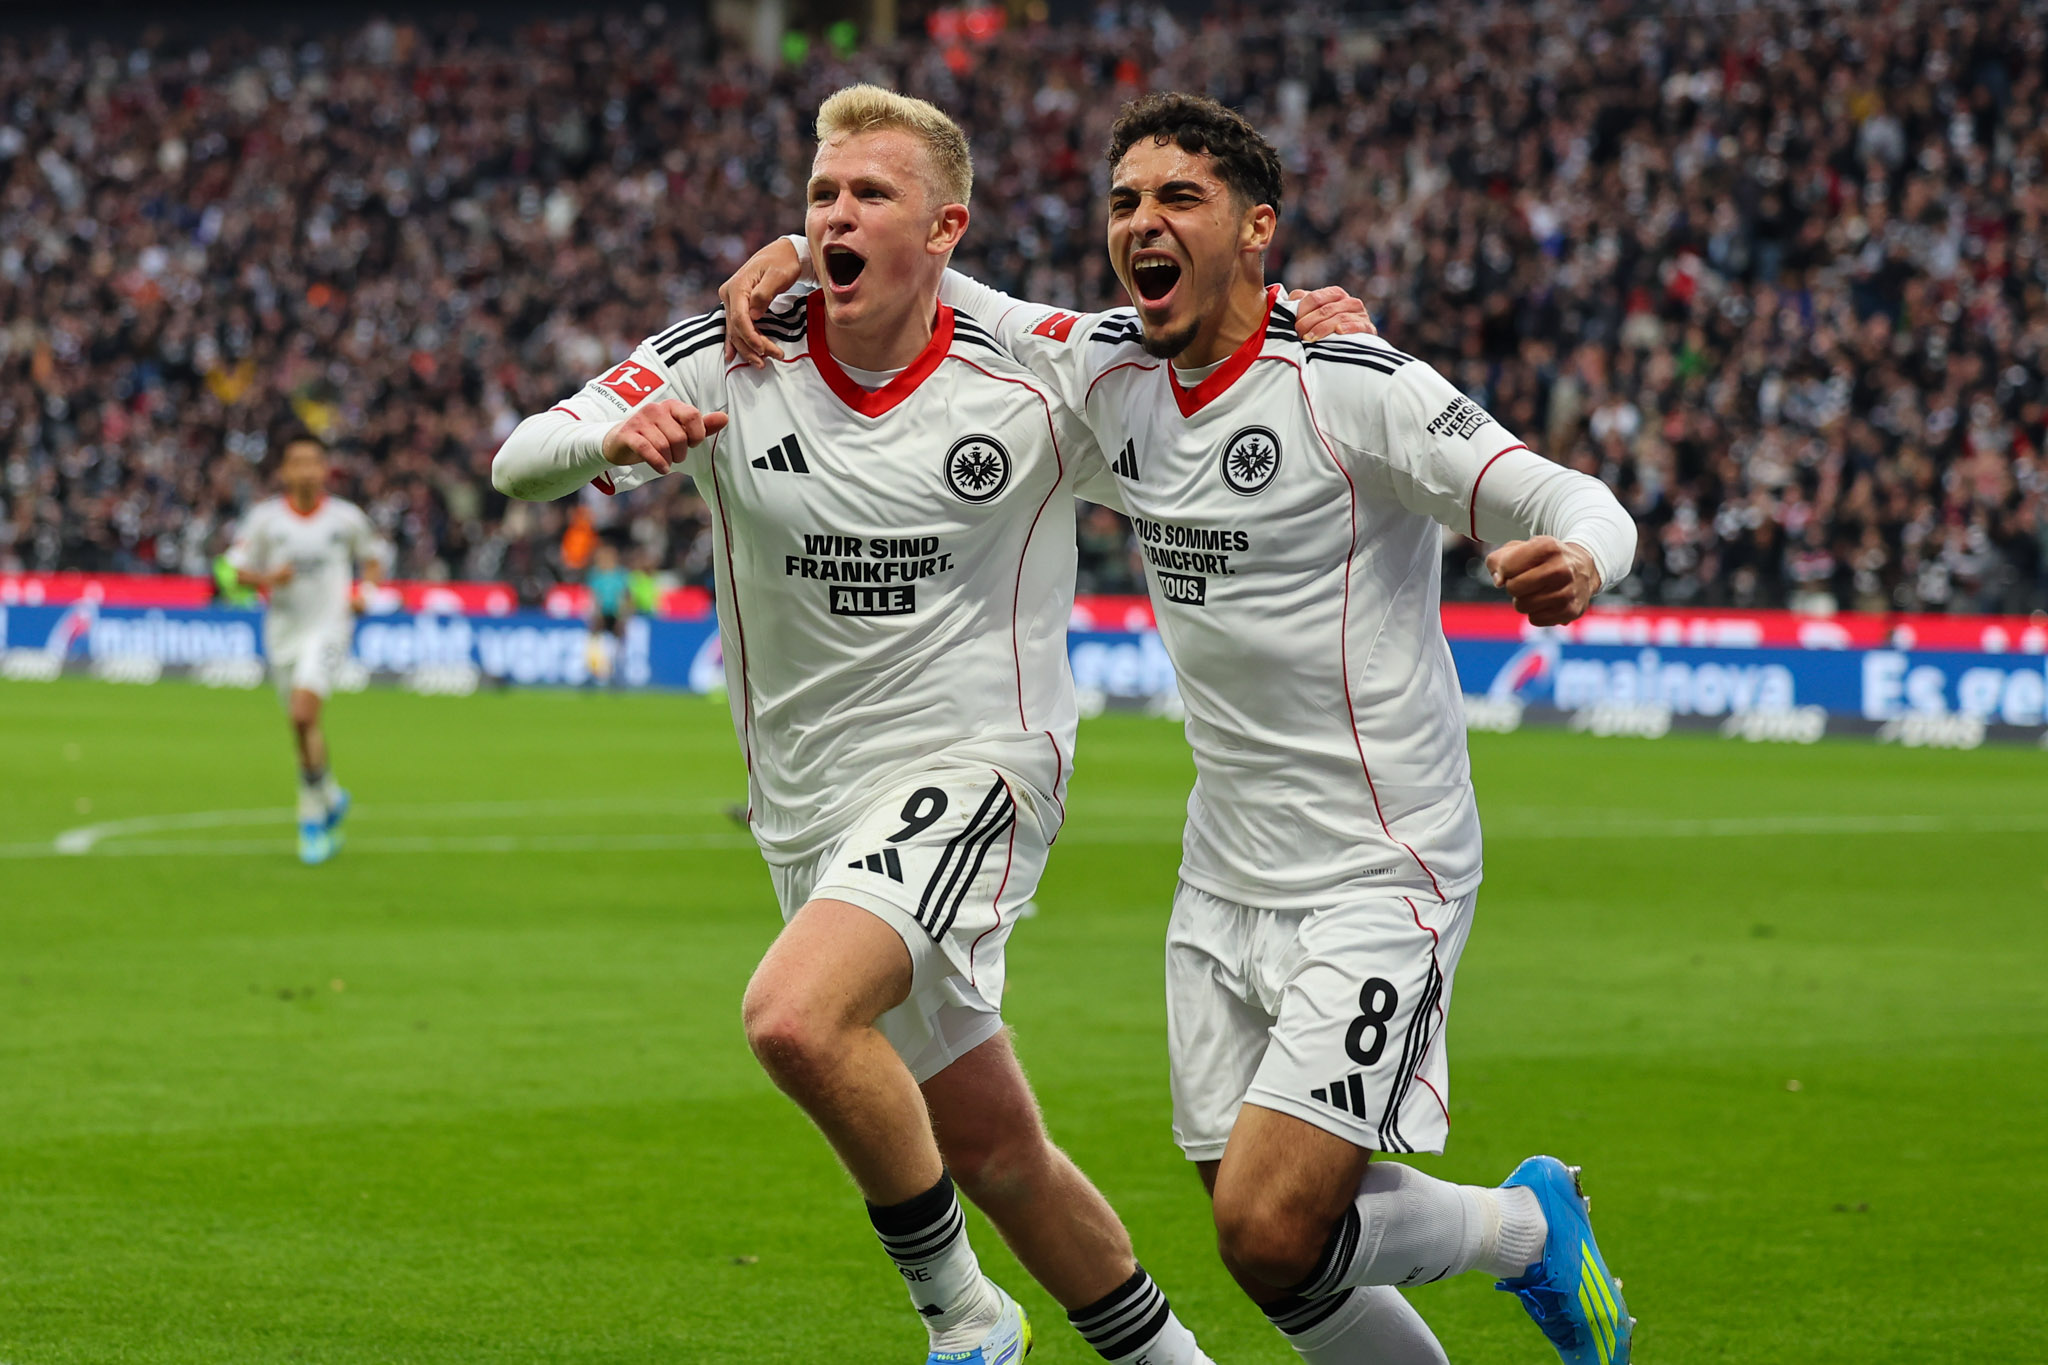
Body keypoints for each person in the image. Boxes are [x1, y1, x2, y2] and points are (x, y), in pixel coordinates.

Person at [723, 91, 1641, 1365]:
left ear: (1257, 228)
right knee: (1282, 1253)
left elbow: (1565, 492)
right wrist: (785, 256)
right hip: (1222, 873)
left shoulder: (1350, 384)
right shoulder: (1106, 369)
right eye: (1121, 204)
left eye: (1177, 200)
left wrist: (1581, 560)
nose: (1140, 224)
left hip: (1381, 865)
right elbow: (922, 270)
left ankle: (1523, 1232)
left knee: (1271, 1227)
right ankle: (1503, 1240)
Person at [492, 86, 1383, 1365]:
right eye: (820, 197)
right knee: (998, 1153)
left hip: (978, 773)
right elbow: (521, 452)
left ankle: (962, 1318)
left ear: (946, 225)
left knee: (794, 1019)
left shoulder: (1036, 375)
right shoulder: (731, 349)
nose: (834, 216)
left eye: (870, 195)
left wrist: (1304, 314)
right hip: (806, 810)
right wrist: (610, 441)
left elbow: (1196, 339)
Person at [226, 431, 387, 866]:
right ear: (283, 471)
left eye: (313, 462)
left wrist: (365, 593)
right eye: (296, 462)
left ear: (324, 469)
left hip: (330, 628)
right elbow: (231, 571)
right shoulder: (264, 521)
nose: (306, 470)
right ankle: (329, 794)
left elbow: (373, 559)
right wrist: (266, 579)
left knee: (302, 713)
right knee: (301, 726)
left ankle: (310, 821)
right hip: (282, 632)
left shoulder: (345, 519)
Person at [583, 540, 632, 684]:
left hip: (616, 614)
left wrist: (623, 616)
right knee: (595, 641)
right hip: (601, 615)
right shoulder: (595, 575)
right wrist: (595, 614)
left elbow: (625, 596)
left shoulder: (621, 575)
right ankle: (594, 672)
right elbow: (593, 597)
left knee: (618, 643)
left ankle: (617, 672)